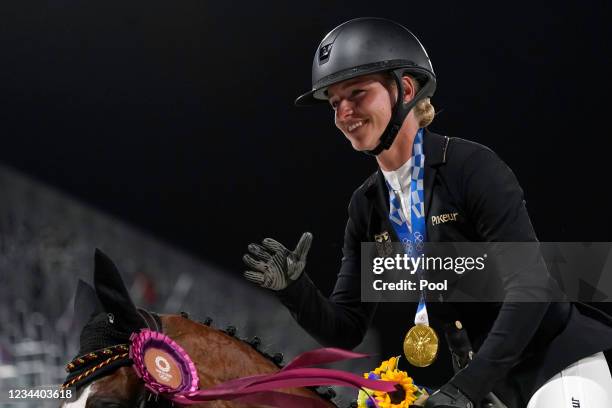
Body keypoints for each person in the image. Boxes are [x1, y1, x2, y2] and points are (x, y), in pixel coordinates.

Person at [242, 18, 612, 407]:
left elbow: (531, 289)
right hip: (491, 389)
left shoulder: (472, 168)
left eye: (357, 94)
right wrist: (295, 290)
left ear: (404, 89)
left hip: (558, 364)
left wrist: (463, 389)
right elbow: (348, 328)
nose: (343, 113)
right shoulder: (367, 206)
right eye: (335, 103)